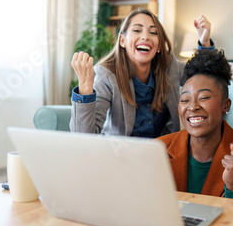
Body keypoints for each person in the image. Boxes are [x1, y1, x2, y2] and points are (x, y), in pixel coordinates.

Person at [70, 9, 213, 137]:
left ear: (158, 45)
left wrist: (204, 42)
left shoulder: (169, 66)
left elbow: (204, 79)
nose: (145, 36)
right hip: (119, 156)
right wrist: (85, 87)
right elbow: (83, 136)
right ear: (122, 41)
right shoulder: (106, 75)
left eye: (153, 32)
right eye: (137, 30)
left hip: (162, 154)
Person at [157, 49, 233, 202]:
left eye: (203, 97)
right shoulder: (157, 150)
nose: (192, 107)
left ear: (226, 105)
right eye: (185, 100)